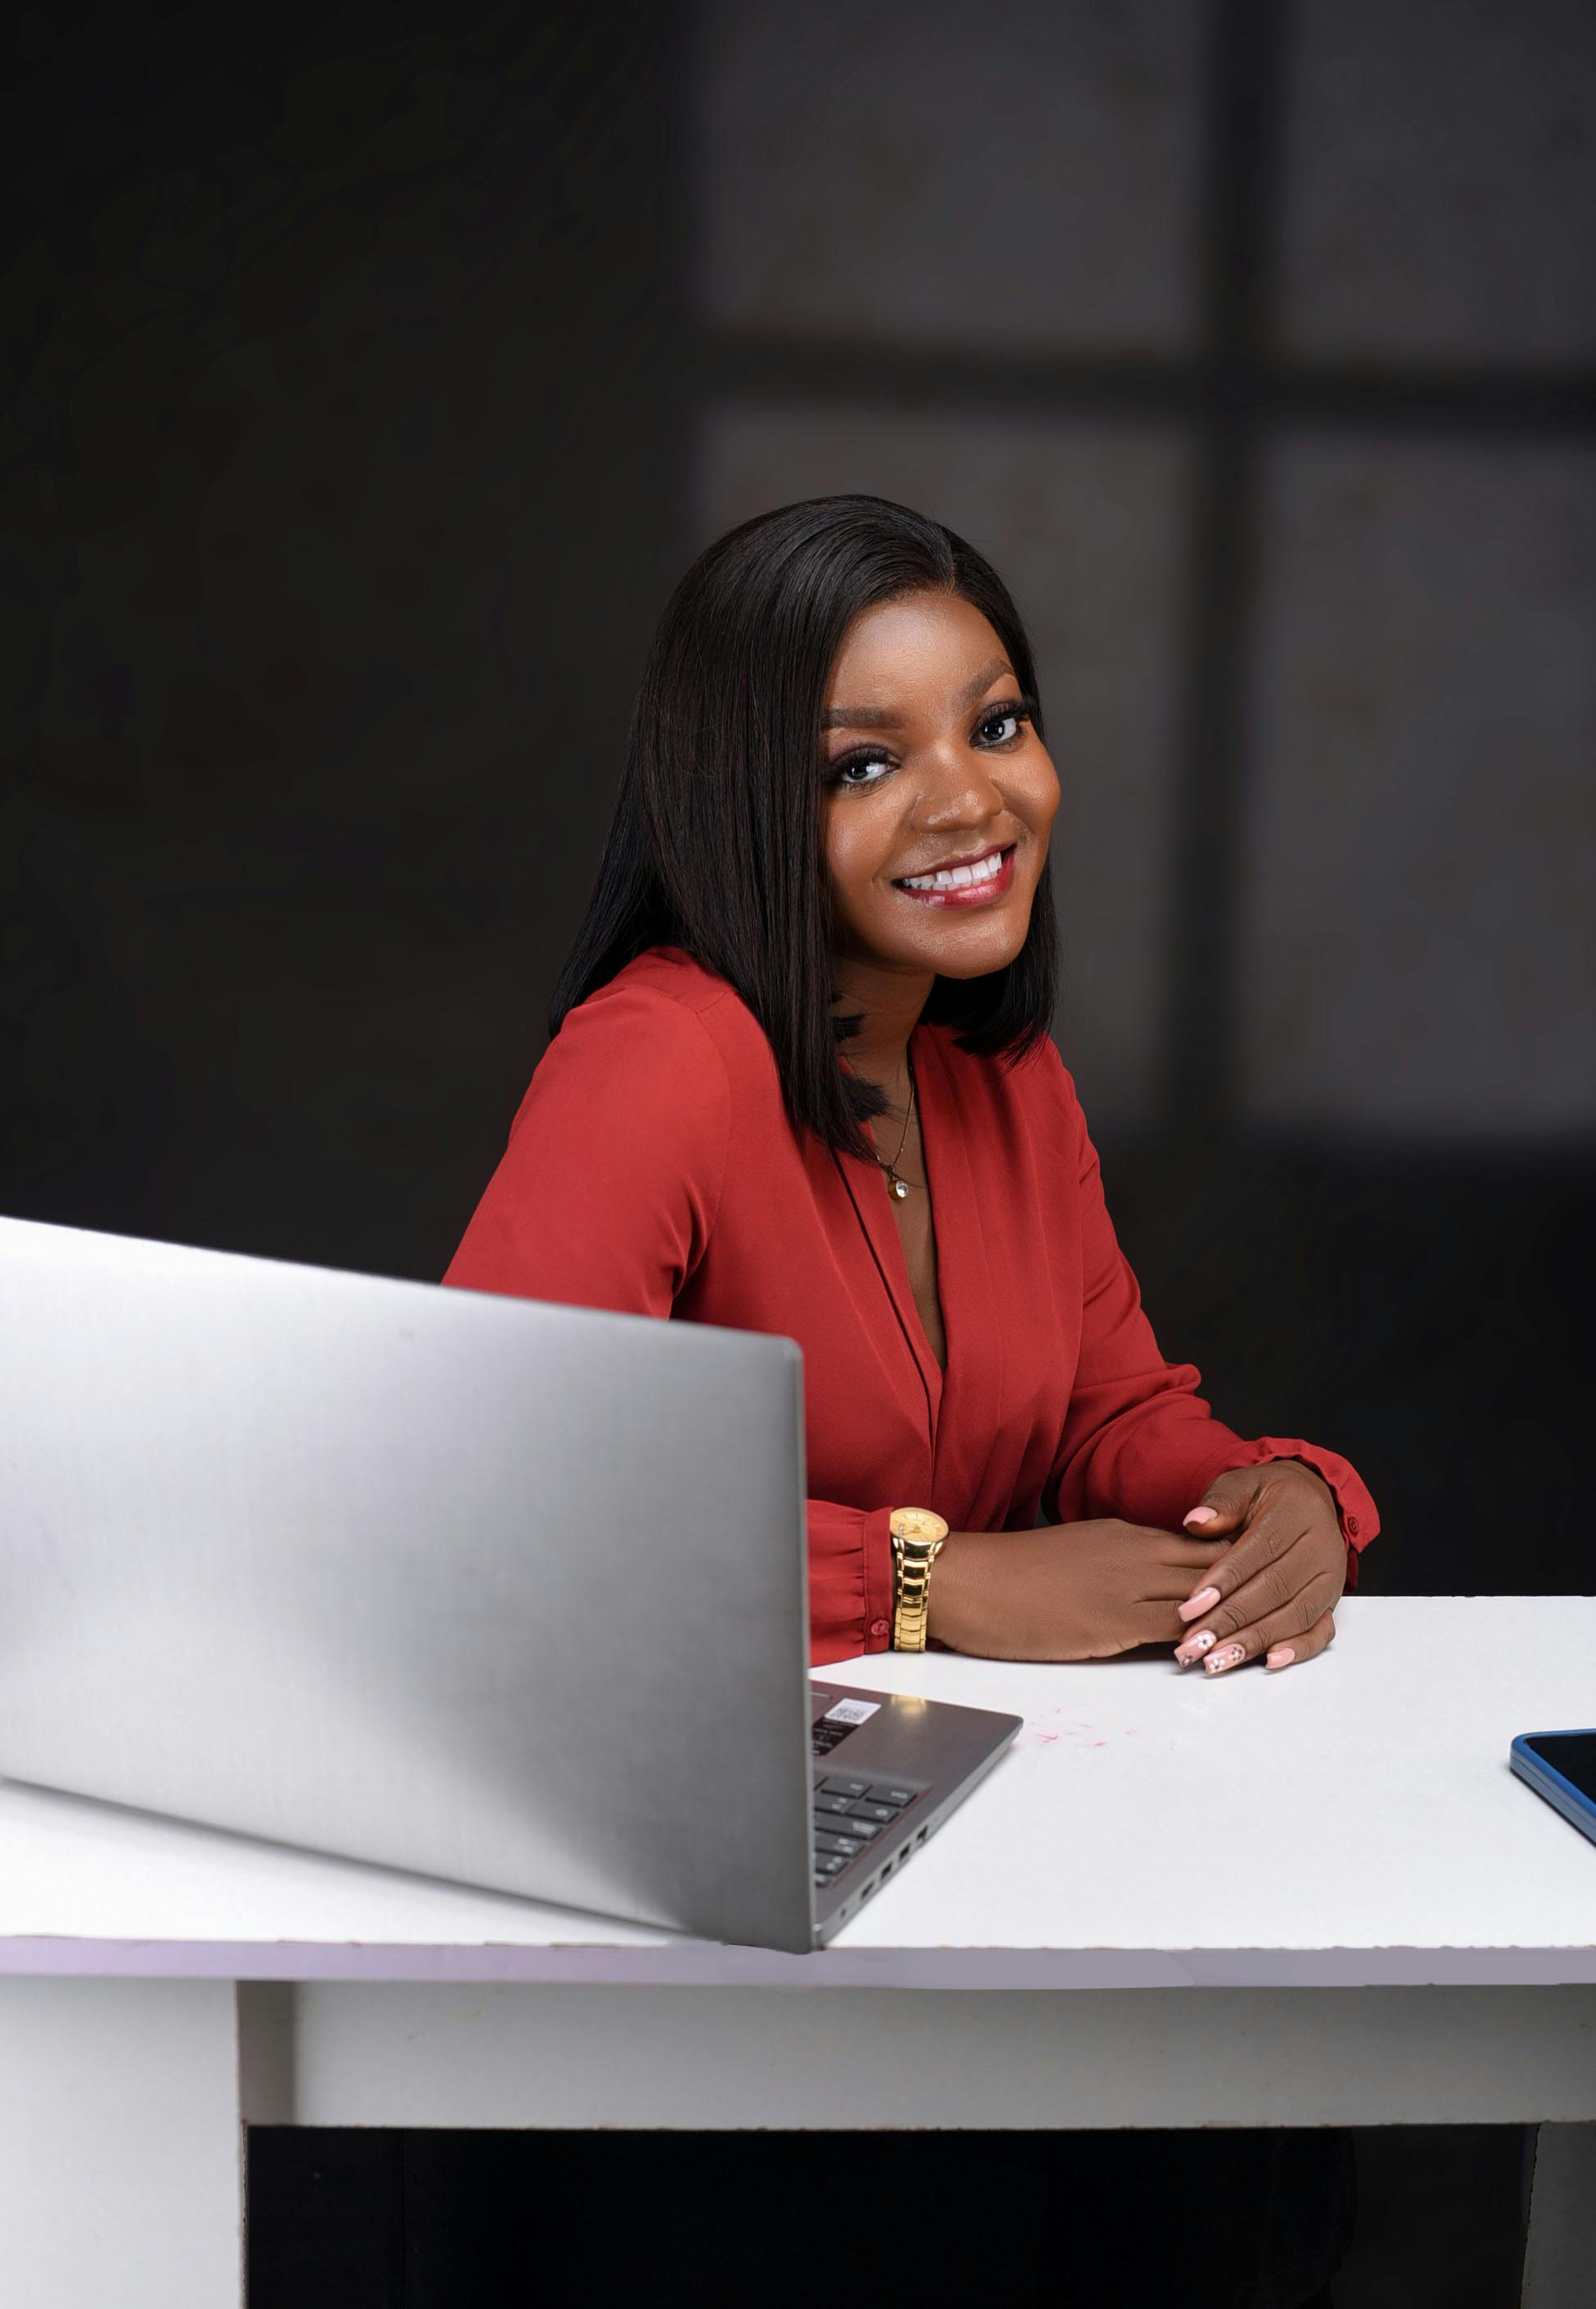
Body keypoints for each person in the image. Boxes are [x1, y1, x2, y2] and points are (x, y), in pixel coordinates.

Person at [441, 494, 1377, 2309]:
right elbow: (491, 1513)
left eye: (996, 722)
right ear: (742, 802)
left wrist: (1279, 1494)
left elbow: (1115, 1410)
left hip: (989, 1856)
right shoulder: (659, 1061)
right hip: (712, 1923)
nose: (967, 798)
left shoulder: (994, 1076)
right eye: (866, 761)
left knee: (1243, 2142)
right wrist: (929, 1583)